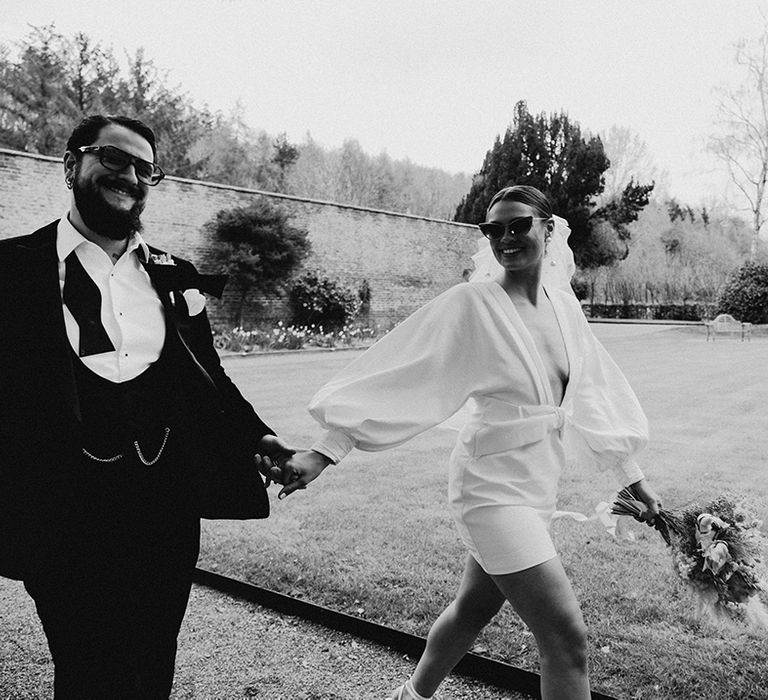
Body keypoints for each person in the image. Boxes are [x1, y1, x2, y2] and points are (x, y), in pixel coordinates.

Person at [268, 185, 662, 700]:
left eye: (519, 224)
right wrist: (326, 450)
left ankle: (408, 697)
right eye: (493, 229)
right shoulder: (472, 304)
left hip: (537, 485)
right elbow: (405, 372)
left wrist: (634, 479)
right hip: (490, 490)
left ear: (548, 228)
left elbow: (597, 393)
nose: (506, 237)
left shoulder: (564, 308)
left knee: (473, 608)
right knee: (567, 640)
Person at [0, 114, 297, 699]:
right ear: (71, 165)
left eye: (144, 168)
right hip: (62, 508)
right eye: (114, 158)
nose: (130, 175)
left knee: (153, 657)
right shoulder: (11, 270)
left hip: (163, 507)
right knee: (90, 667)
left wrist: (255, 437)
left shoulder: (172, 276)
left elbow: (207, 378)